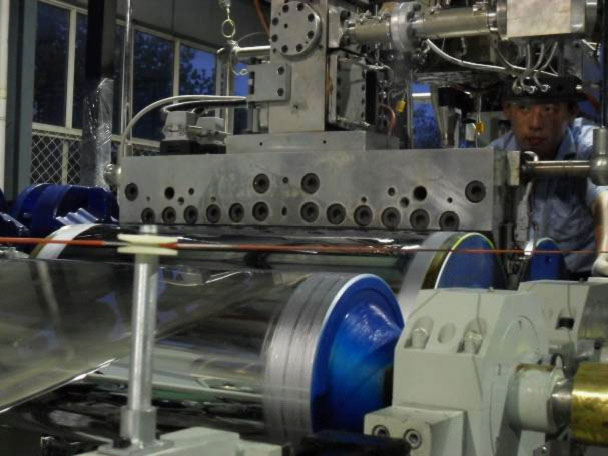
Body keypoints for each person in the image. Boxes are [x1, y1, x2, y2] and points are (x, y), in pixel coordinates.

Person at [491, 76, 608, 278]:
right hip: (513, 280)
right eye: (524, 108)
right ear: (507, 109)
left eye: (549, 109)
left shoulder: (588, 146)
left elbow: (604, 198)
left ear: (572, 112)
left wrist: (604, 256)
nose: (535, 124)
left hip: (578, 280)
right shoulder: (494, 155)